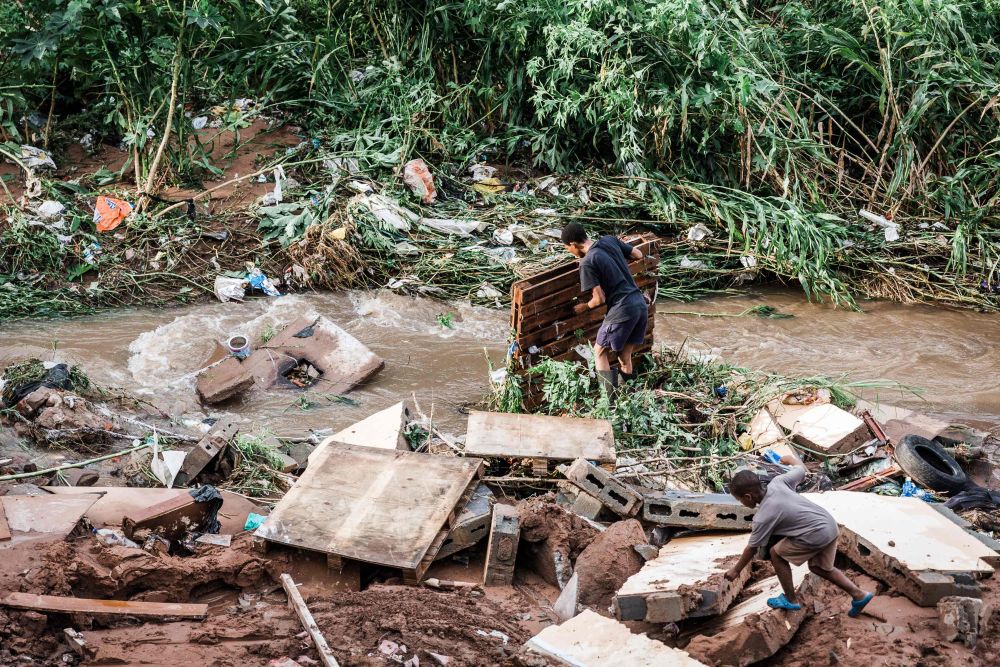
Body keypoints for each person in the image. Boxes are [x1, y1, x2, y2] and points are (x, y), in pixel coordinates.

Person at [723, 454, 875, 616]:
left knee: (776, 553)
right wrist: (791, 460)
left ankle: (790, 600)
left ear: (748, 496)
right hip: (829, 524)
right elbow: (801, 470)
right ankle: (859, 595)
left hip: (816, 533)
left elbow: (752, 548)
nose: (742, 504)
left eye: (740, 500)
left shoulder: (763, 517)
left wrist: (736, 570)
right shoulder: (778, 482)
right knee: (819, 567)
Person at [561, 223, 649, 392]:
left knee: (599, 351)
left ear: (573, 244)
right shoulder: (609, 240)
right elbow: (637, 254)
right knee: (624, 356)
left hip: (622, 309)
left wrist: (585, 307)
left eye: (567, 248)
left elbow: (599, 299)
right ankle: (628, 396)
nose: (569, 252)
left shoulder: (587, 263)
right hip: (639, 304)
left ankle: (608, 400)